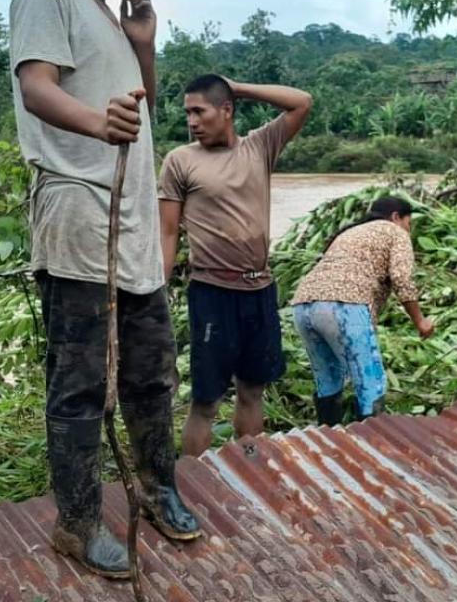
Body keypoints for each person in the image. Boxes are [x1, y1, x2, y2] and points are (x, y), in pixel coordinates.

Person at [10, 0, 198, 579]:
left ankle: (155, 487)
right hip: (81, 216)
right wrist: (95, 124)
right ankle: (78, 523)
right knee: (81, 383)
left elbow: (139, 113)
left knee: (151, 373)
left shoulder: (116, 22)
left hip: (133, 224)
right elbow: (36, 88)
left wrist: (143, 48)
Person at [159, 74, 312, 456]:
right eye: (187, 113)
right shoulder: (180, 161)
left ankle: (250, 473)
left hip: (259, 290)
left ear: (226, 111)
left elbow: (302, 101)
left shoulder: (259, 147)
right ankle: (193, 483)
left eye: (199, 111)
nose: (191, 121)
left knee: (252, 390)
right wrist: (156, 296)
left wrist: (237, 87)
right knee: (206, 400)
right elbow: (166, 233)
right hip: (211, 294)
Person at [291, 197, 434, 424]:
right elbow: (401, 278)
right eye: (409, 223)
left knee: (327, 379)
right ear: (396, 216)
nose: (409, 229)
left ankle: (328, 439)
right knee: (370, 384)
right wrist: (420, 321)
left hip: (303, 305)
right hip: (344, 306)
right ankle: (371, 445)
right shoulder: (395, 232)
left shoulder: (349, 233)